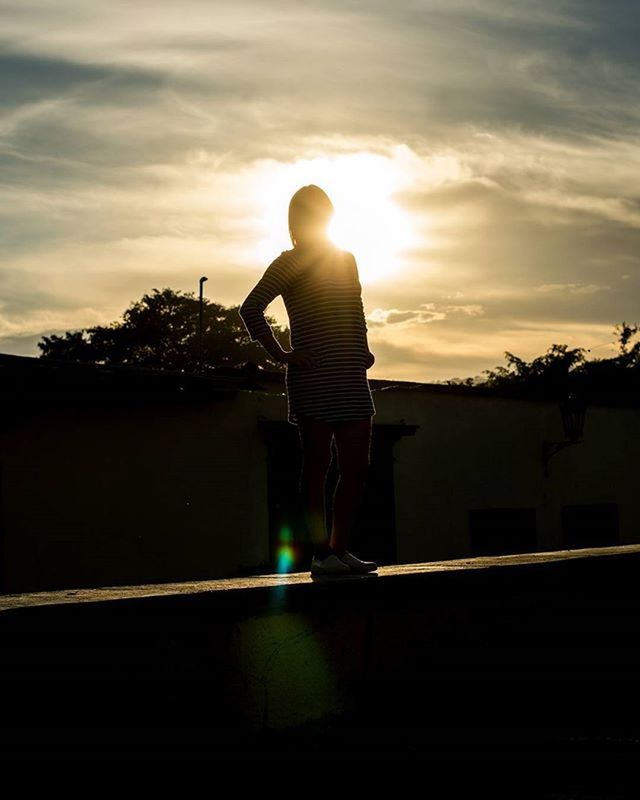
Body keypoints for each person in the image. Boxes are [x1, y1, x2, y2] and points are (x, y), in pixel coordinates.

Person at [238, 184, 378, 576]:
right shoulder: (289, 262)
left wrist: (362, 347)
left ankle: (340, 548)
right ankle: (320, 554)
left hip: (351, 376)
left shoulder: (346, 259)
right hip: (313, 377)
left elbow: (357, 307)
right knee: (316, 466)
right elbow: (250, 309)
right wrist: (281, 354)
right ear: (299, 219)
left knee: (357, 469)